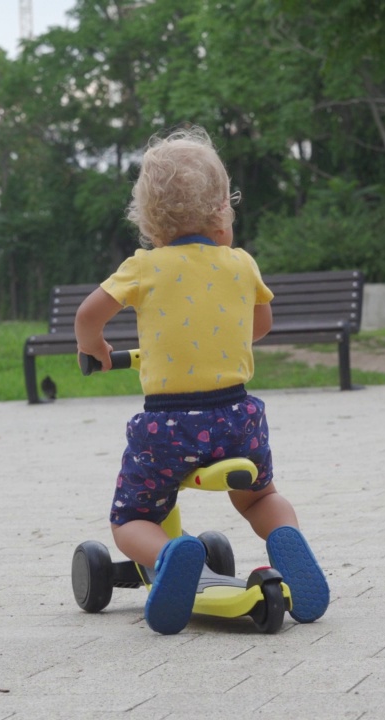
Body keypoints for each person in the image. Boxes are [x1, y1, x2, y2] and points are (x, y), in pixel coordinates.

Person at [75, 126, 329, 633]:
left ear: (148, 217)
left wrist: (95, 348)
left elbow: (89, 315)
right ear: (222, 210)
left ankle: (169, 556)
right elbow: (260, 326)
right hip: (238, 420)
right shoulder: (240, 262)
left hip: (169, 430)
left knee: (131, 517)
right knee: (259, 495)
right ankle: (286, 538)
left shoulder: (143, 265)